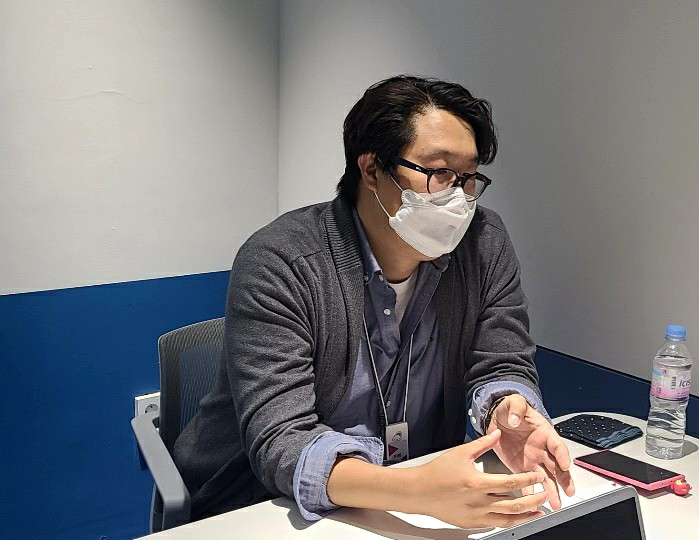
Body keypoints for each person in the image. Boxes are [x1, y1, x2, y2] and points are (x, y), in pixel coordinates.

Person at [174, 75, 575, 529]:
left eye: (469, 178)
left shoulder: (484, 242)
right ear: (371, 170)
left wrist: (507, 409)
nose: (460, 199)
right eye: (439, 173)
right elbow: (282, 439)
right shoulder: (281, 260)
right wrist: (415, 491)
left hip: (412, 499)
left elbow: (502, 361)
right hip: (264, 505)